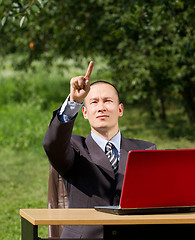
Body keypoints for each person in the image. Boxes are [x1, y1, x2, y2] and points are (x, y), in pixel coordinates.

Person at [43, 61, 157, 239]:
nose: (102, 107)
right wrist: (74, 102)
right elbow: (52, 144)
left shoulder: (146, 149)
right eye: (94, 102)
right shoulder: (74, 147)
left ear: (120, 110)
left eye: (108, 101)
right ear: (85, 113)